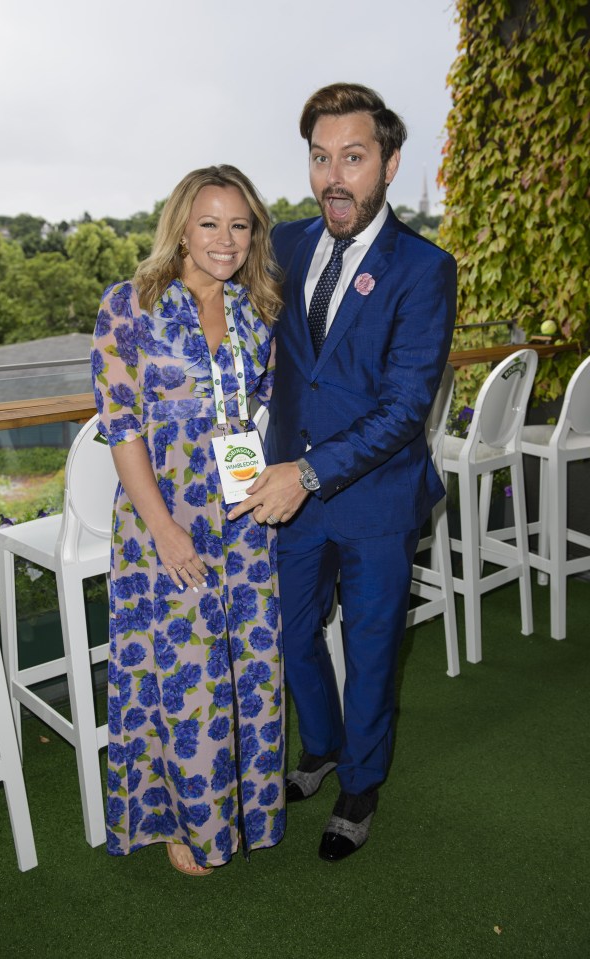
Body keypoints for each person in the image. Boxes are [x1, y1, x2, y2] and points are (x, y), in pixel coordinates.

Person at [228, 83, 457, 862]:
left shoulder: (424, 269)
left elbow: (403, 409)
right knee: (292, 637)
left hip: (376, 498)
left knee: (370, 648)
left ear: (389, 163)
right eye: (321, 158)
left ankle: (360, 783)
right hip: (290, 497)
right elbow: (212, 278)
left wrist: (308, 472)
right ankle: (319, 748)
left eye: (352, 157)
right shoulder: (286, 244)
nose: (334, 176)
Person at [91, 165, 285, 877]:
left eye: (240, 225)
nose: (226, 239)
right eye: (210, 223)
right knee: (182, 674)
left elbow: (257, 408)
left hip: (242, 514)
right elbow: (122, 428)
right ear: (181, 225)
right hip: (164, 517)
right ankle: (183, 819)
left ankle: (241, 811)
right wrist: (166, 529)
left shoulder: (254, 309)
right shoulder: (130, 305)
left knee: (248, 669)